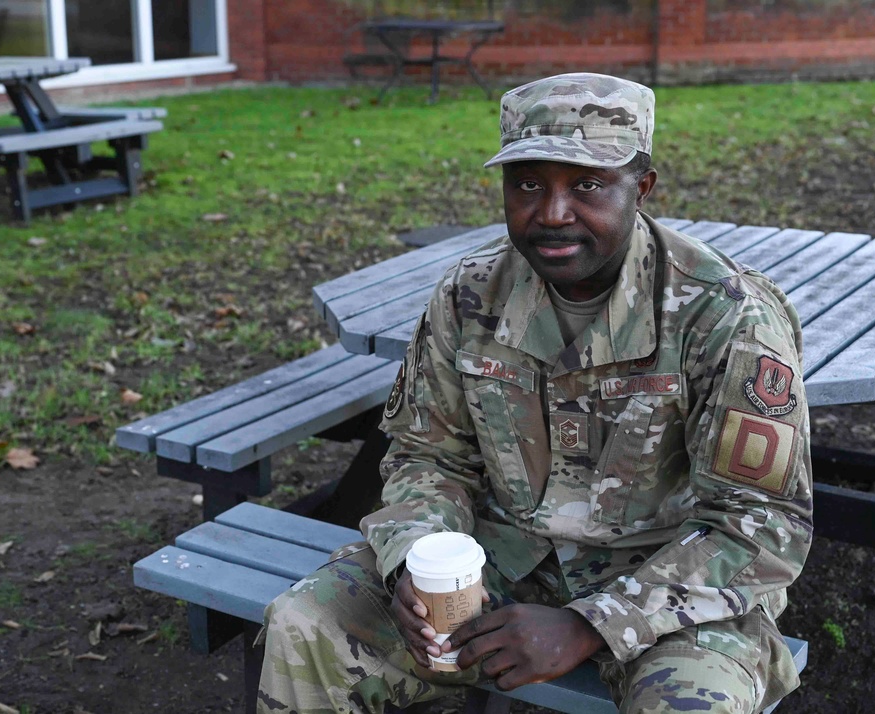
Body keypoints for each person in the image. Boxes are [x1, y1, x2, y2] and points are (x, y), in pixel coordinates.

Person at [257, 73, 812, 714]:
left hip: (671, 584)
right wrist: (417, 558)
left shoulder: (724, 315)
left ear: (643, 187)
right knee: (306, 625)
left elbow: (760, 524)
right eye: (527, 183)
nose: (551, 213)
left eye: (588, 185)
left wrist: (590, 624)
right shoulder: (470, 294)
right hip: (498, 557)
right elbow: (425, 458)